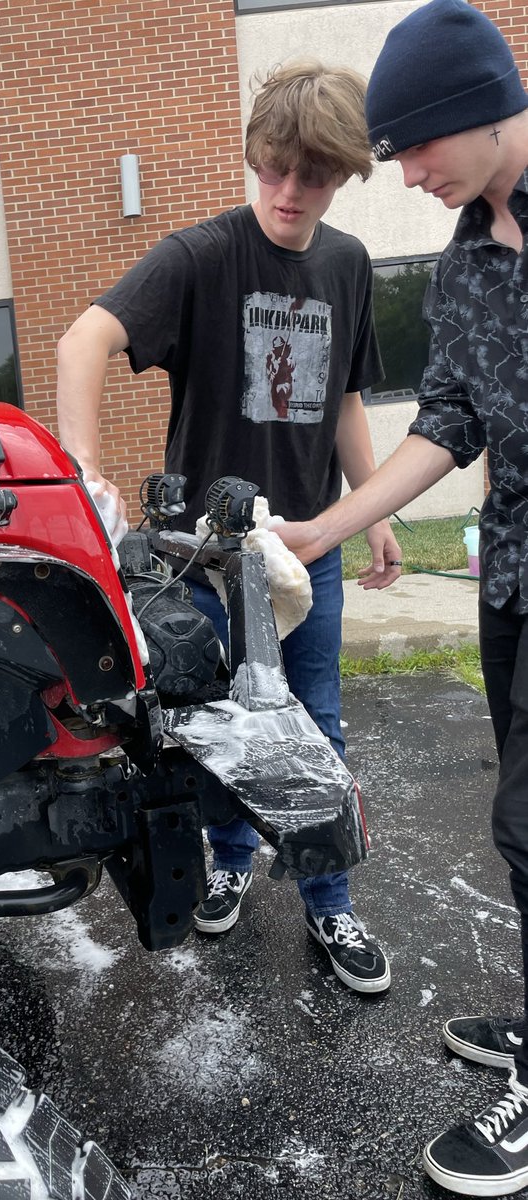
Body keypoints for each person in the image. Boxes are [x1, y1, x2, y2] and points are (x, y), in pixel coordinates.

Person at [56, 60, 399, 995]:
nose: (291, 193)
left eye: (315, 175)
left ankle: (330, 902)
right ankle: (232, 856)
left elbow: (346, 401)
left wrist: (372, 512)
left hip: (308, 548)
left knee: (314, 728)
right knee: (224, 730)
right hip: (208, 561)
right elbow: (82, 341)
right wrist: (84, 478)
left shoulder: (348, 264)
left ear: (342, 174)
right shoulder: (202, 257)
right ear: (256, 157)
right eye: (276, 168)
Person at [274, 1, 528, 1193]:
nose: (406, 173)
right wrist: (329, 524)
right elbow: (454, 422)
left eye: (417, 148)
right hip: (516, 571)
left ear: (477, 109)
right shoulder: (476, 255)